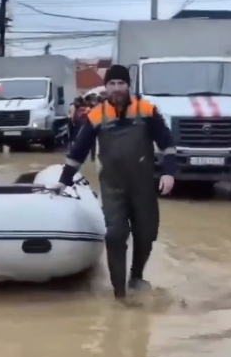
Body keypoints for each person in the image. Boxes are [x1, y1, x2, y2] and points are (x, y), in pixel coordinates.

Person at [53, 64, 176, 301]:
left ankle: (136, 278)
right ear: (106, 87)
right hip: (112, 186)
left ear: (128, 85)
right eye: (112, 83)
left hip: (143, 185)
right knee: (115, 235)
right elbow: (79, 151)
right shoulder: (96, 115)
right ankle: (120, 294)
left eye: (121, 83)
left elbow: (167, 143)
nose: (117, 88)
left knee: (146, 233)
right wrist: (63, 181)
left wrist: (169, 173)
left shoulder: (146, 110)